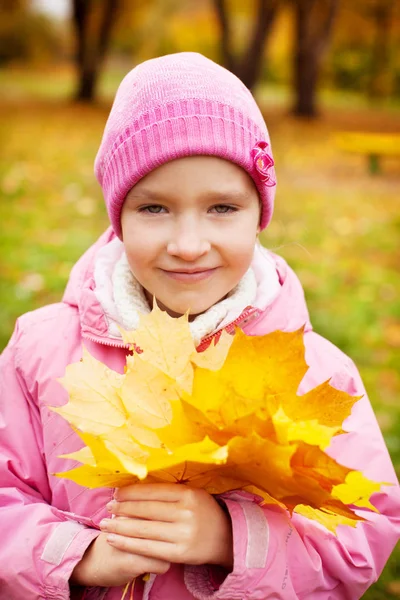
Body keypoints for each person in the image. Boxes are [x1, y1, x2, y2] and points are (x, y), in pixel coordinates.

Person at [0, 52, 399, 600]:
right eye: (154, 208)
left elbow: (364, 529)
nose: (188, 245)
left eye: (222, 208)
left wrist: (230, 539)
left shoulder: (314, 372)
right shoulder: (39, 352)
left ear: (259, 213)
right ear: (118, 216)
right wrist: (82, 556)